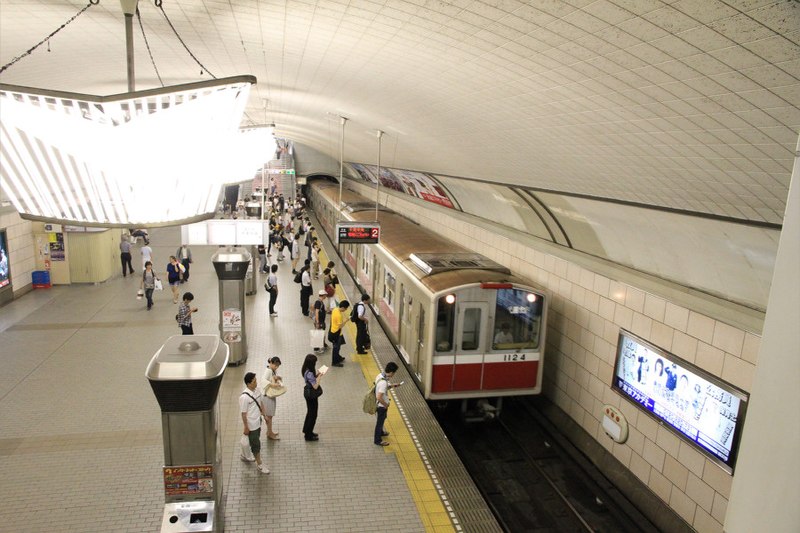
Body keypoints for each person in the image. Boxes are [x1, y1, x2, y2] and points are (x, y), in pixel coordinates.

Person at [239, 372, 270, 474]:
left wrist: (264, 416)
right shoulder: (244, 397)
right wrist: (246, 427)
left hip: (258, 421)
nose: (256, 382)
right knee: (256, 444)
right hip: (251, 425)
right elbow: (243, 414)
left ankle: (244, 455)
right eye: (254, 381)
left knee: (252, 441)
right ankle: (259, 464)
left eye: (255, 380)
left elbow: (261, 404)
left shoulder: (257, 391)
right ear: (248, 384)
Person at [374, 362, 401, 446]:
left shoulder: (380, 376)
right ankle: (377, 440)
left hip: (380, 405)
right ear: (392, 372)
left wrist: (393, 385)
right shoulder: (383, 383)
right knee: (379, 423)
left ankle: (381, 432)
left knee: (381, 420)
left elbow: (382, 388)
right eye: (394, 373)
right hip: (381, 406)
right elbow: (379, 397)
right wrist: (385, 405)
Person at [301, 354, 324, 441]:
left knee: (309, 413)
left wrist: (317, 374)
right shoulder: (310, 373)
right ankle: (308, 435)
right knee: (313, 415)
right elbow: (315, 386)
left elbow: (311, 379)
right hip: (311, 395)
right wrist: (319, 378)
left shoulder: (305, 369)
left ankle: (307, 431)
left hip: (308, 393)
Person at [260, 357, 283, 441]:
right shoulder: (268, 371)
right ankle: (270, 433)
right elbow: (263, 381)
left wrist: (277, 378)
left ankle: (269, 432)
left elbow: (272, 378)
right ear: (272, 363)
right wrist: (273, 385)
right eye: (276, 365)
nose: (276, 367)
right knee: (269, 416)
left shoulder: (271, 370)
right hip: (267, 397)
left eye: (278, 366)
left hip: (269, 396)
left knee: (270, 416)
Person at [328, 300, 350, 367]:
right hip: (336, 334)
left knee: (338, 347)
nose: (345, 310)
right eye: (346, 308)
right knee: (336, 348)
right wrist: (346, 320)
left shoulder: (335, 309)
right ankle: (334, 362)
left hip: (333, 331)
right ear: (343, 307)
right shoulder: (339, 316)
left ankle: (338, 357)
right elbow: (340, 326)